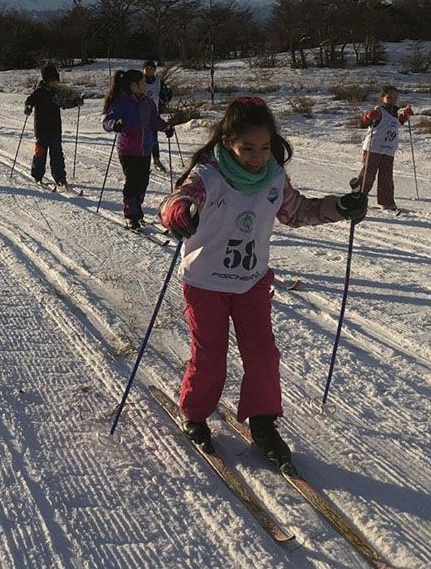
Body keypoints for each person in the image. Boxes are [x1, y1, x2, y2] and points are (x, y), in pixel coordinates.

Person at [157, 96, 368, 465]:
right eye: (247, 148)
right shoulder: (208, 175)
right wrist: (178, 213)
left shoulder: (273, 177)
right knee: (211, 356)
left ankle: (264, 421)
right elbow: (176, 199)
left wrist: (340, 206)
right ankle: (194, 413)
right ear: (227, 142)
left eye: (265, 147)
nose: (257, 156)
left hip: (251, 280)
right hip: (206, 281)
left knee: (263, 353)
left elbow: (297, 211)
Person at [102, 69, 173, 227]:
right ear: (133, 85)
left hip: (145, 149)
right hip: (128, 149)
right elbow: (107, 121)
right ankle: (131, 214)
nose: (145, 85)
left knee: (143, 181)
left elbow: (155, 120)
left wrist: (166, 127)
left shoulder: (147, 102)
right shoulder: (122, 102)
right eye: (142, 82)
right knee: (133, 181)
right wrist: (115, 125)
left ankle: (137, 209)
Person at [24, 64, 83, 186]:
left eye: (56, 81)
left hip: (55, 127)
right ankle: (37, 175)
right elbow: (29, 101)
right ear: (47, 81)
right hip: (41, 127)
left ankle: (60, 177)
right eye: (53, 81)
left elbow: (64, 104)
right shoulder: (39, 92)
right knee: (41, 152)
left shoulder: (57, 92)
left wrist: (75, 102)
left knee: (57, 153)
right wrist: (28, 107)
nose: (55, 83)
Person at [358, 86, 414, 212]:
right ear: (382, 98)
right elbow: (365, 121)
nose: (392, 100)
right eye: (389, 97)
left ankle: (386, 202)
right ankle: (358, 199)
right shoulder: (379, 111)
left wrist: (404, 117)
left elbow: (395, 125)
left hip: (388, 150)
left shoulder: (394, 113)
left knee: (386, 177)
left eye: (395, 97)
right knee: (367, 174)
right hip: (374, 148)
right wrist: (368, 117)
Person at [143, 60, 172, 172]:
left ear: (154, 70)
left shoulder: (159, 81)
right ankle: (143, 162)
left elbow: (164, 97)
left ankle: (156, 160)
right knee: (143, 139)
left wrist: (168, 95)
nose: (149, 70)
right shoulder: (140, 81)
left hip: (154, 114)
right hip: (141, 114)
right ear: (143, 70)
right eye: (147, 68)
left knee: (154, 139)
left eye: (151, 68)